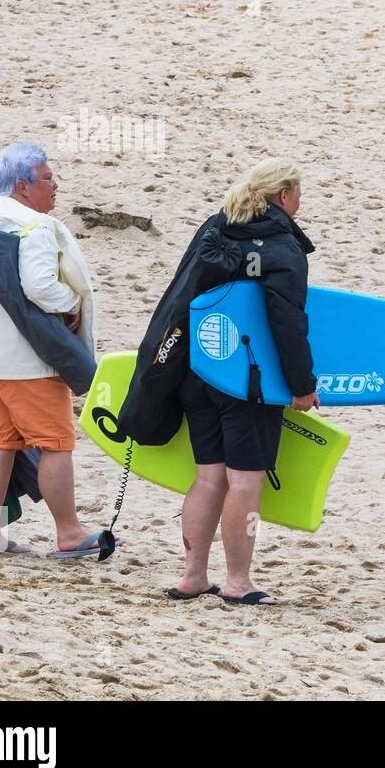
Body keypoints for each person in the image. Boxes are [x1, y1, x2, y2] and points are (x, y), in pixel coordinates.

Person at [142, 158, 317, 604]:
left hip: (197, 373)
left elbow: (179, 294)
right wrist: (302, 384)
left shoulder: (215, 228)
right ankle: (239, 582)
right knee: (244, 482)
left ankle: (192, 576)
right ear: (283, 197)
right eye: (298, 195)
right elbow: (287, 321)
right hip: (246, 383)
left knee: (208, 479)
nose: (301, 203)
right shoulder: (281, 247)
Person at [0, 142, 101, 557]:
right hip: (28, 359)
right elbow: (41, 288)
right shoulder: (35, 226)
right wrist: (69, 306)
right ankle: (69, 533)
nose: (56, 187)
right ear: (22, 185)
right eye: (49, 179)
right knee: (56, 443)